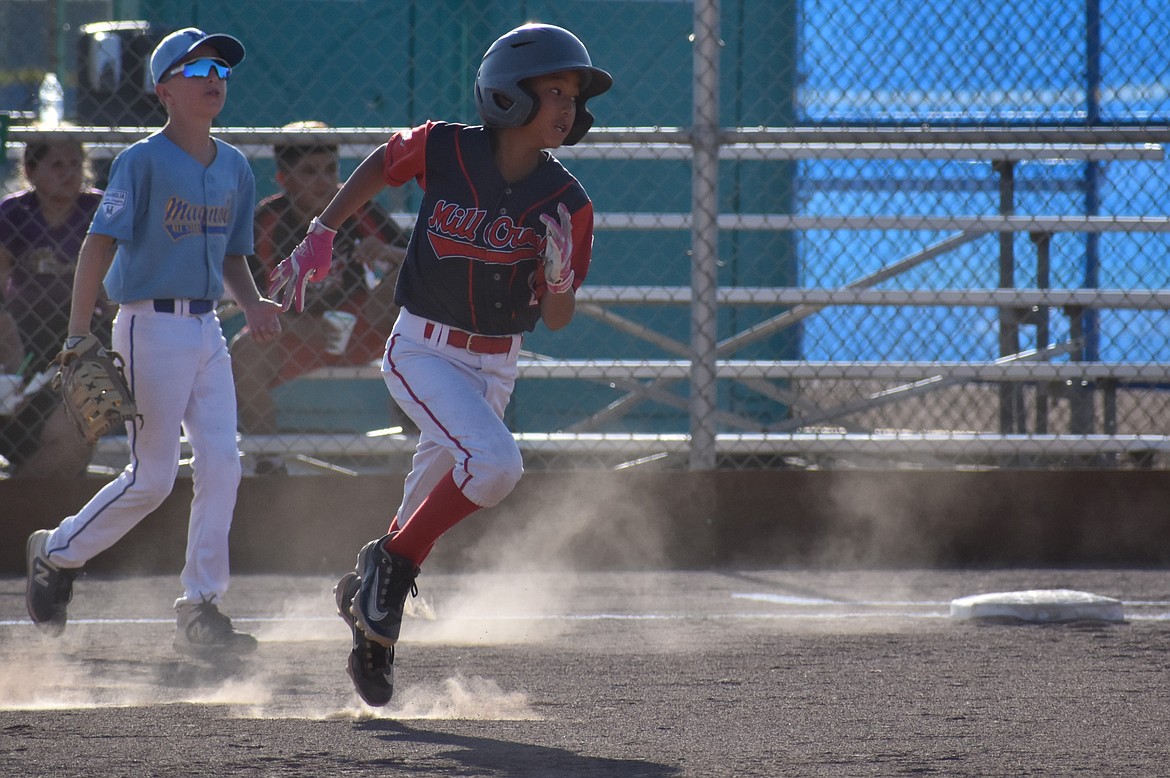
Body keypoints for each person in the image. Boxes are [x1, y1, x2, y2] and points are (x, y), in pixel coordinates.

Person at [270, 22, 611, 705]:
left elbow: (558, 319)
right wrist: (321, 231)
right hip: (421, 348)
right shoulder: (449, 147)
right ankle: (387, 573)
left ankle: (373, 615)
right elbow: (380, 165)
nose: (567, 109)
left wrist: (561, 277)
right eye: (553, 91)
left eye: (573, 96)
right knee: (495, 466)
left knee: (416, 517)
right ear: (506, 95)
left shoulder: (568, 204)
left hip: (496, 367)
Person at [24, 27, 282, 656]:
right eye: (195, 71)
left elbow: (235, 255)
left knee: (223, 462)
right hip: (147, 326)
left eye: (220, 68)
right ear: (164, 90)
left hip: (206, 328)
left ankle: (200, 608)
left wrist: (252, 303)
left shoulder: (236, 166)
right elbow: (99, 244)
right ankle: (55, 554)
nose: (213, 78)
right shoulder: (140, 161)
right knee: (154, 478)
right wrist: (79, 333)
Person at [230, 122, 411, 475]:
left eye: (330, 169)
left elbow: (419, 264)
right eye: (309, 172)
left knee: (405, 288)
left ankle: (420, 433)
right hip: (296, 333)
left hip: (360, 327)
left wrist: (386, 252)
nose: (324, 181)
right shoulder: (268, 221)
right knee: (245, 350)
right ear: (284, 179)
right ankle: (270, 463)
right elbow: (252, 297)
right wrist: (298, 325)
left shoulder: (355, 205)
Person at [0, 136, 111, 477]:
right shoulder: (14, 212)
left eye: (76, 164)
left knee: (76, 437)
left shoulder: (99, 211)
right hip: (22, 333)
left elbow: (114, 292)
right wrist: (12, 356)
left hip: (86, 335)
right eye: (57, 165)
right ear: (31, 171)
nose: (69, 173)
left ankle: (24, 504)